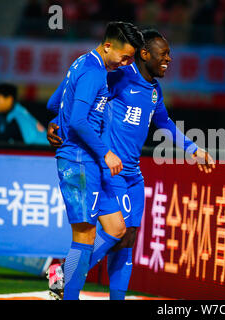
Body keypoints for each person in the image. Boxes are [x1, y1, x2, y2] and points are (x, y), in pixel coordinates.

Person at [46, 29, 215, 300]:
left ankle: (110, 294)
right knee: (113, 232)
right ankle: (67, 273)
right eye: (164, 54)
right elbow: (72, 92)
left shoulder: (154, 91)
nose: (169, 59)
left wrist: (193, 148)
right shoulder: (117, 74)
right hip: (110, 169)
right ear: (145, 54)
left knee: (128, 237)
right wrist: (56, 120)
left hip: (133, 173)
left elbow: (165, 123)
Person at [45, 21, 144, 300]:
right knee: (85, 237)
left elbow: (55, 103)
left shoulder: (81, 63)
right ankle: (68, 291)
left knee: (115, 229)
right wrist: (106, 152)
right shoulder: (93, 72)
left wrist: (56, 121)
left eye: (131, 59)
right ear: (108, 45)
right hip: (78, 161)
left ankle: (62, 272)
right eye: (124, 56)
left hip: (88, 162)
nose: (126, 63)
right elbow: (77, 120)